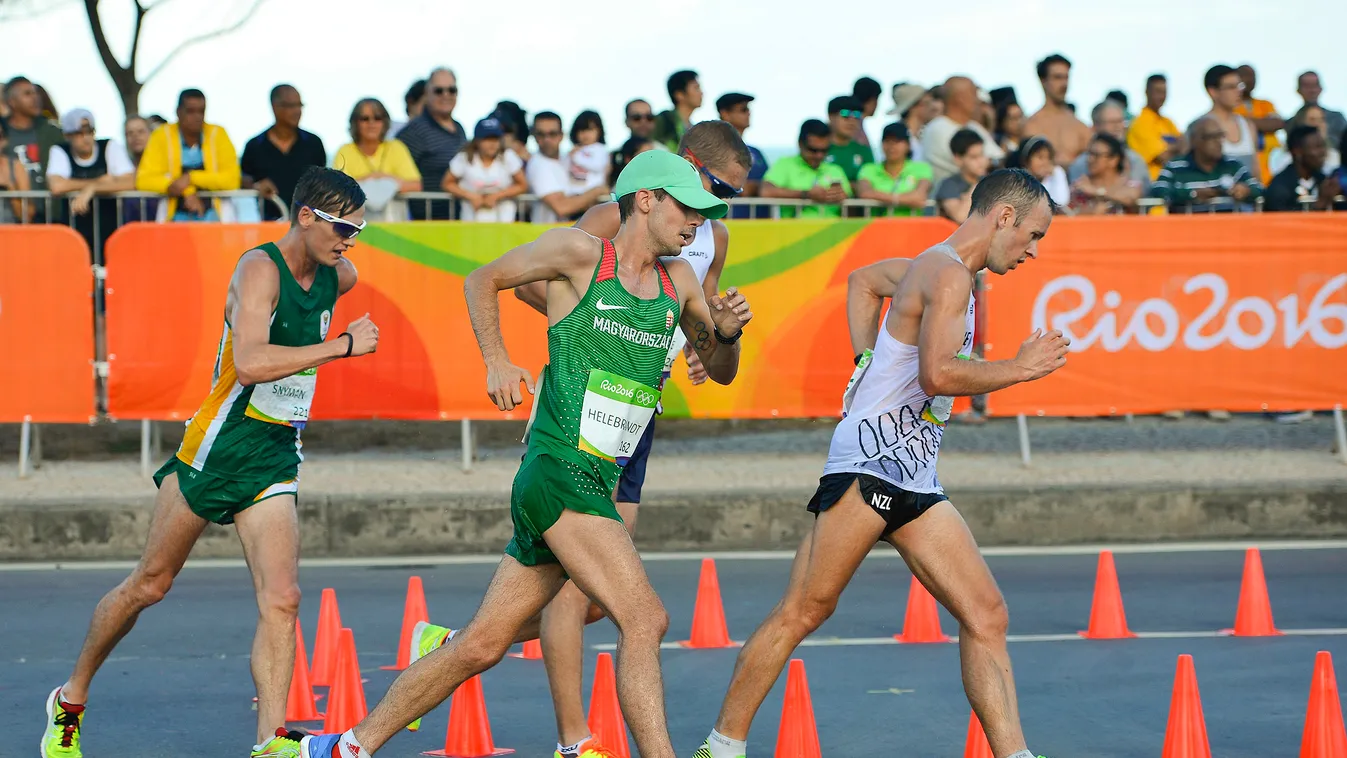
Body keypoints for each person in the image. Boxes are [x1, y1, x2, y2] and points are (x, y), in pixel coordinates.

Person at [291, 149, 753, 758]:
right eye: (688, 209)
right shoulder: (581, 253)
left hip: (594, 477)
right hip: (559, 471)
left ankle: (343, 746)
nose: (698, 224)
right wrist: (497, 360)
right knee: (646, 619)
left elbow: (718, 372)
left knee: (482, 644)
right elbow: (481, 279)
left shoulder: (682, 282)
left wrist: (725, 333)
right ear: (646, 199)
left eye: (704, 213)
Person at [691, 168, 1065, 758]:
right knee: (803, 610)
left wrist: (867, 358)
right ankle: (720, 745)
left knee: (986, 612)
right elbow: (937, 374)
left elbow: (864, 281)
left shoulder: (937, 267)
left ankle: (1014, 755)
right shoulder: (947, 277)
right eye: (1034, 235)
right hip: (869, 467)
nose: (1034, 252)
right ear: (1004, 217)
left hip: (913, 472)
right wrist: (1020, 368)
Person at [37, 167, 380, 758]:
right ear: (306, 217)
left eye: (358, 227)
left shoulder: (339, 274)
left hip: (274, 453)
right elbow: (247, 363)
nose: (351, 240)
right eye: (343, 226)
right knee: (149, 585)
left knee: (283, 599)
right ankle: (70, 698)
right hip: (216, 448)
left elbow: (314, 310)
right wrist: (342, 346)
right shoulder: (258, 269)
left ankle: (270, 744)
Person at [478, 120, 747, 758]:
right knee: (613, 599)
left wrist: (710, 345)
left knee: (598, 593)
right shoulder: (610, 217)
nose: (717, 207)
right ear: (681, 169)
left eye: (730, 197)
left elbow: (701, 320)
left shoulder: (712, 237)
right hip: (579, 411)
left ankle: (461, 645)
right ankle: (576, 740)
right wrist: (593, 326)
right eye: (712, 188)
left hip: (634, 417)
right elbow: (533, 282)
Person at [442, 116, 528, 222]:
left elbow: (522, 184)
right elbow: (447, 183)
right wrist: (471, 196)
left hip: (503, 218)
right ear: (477, 140)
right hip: (472, 217)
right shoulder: (464, 157)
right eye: (487, 139)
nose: (492, 144)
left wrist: (497, 196)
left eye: (495, 139)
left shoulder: (508, 156)